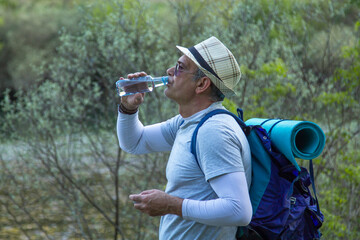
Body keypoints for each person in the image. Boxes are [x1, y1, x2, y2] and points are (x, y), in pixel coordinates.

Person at [117, 36, 252, 240]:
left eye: (179, 67)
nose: (170, 71)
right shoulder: (187, 122)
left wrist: (172, 205)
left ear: (201, 84)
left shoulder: (213, 131)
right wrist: (128, 107)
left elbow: (239, 211)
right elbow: (135, 142)